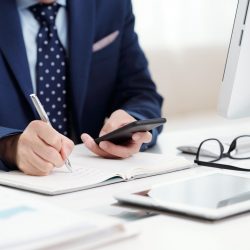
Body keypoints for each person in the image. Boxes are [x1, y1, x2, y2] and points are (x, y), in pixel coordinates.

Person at [0, 0, 163, 176]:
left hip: (94, 179)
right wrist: (9, 146)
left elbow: (141, 92)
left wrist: (131, 125)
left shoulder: (112, 5)